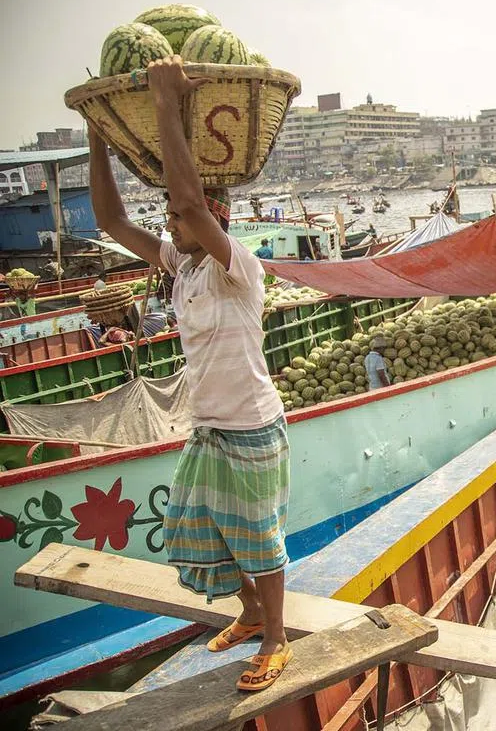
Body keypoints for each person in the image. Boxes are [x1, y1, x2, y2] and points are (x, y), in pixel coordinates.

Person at [86, 54, 292, 692]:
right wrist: (97, 135)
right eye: (173, 222)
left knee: (258, 539)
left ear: (215, 220)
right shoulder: (185, 267)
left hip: (252, 427)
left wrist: (169, 103)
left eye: (180, 218)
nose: (170, 225)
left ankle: (278, 635)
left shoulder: (240, 270)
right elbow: (112, 222)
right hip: (209, 429)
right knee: (207, 531)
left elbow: (184, 197)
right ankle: (251, 610)